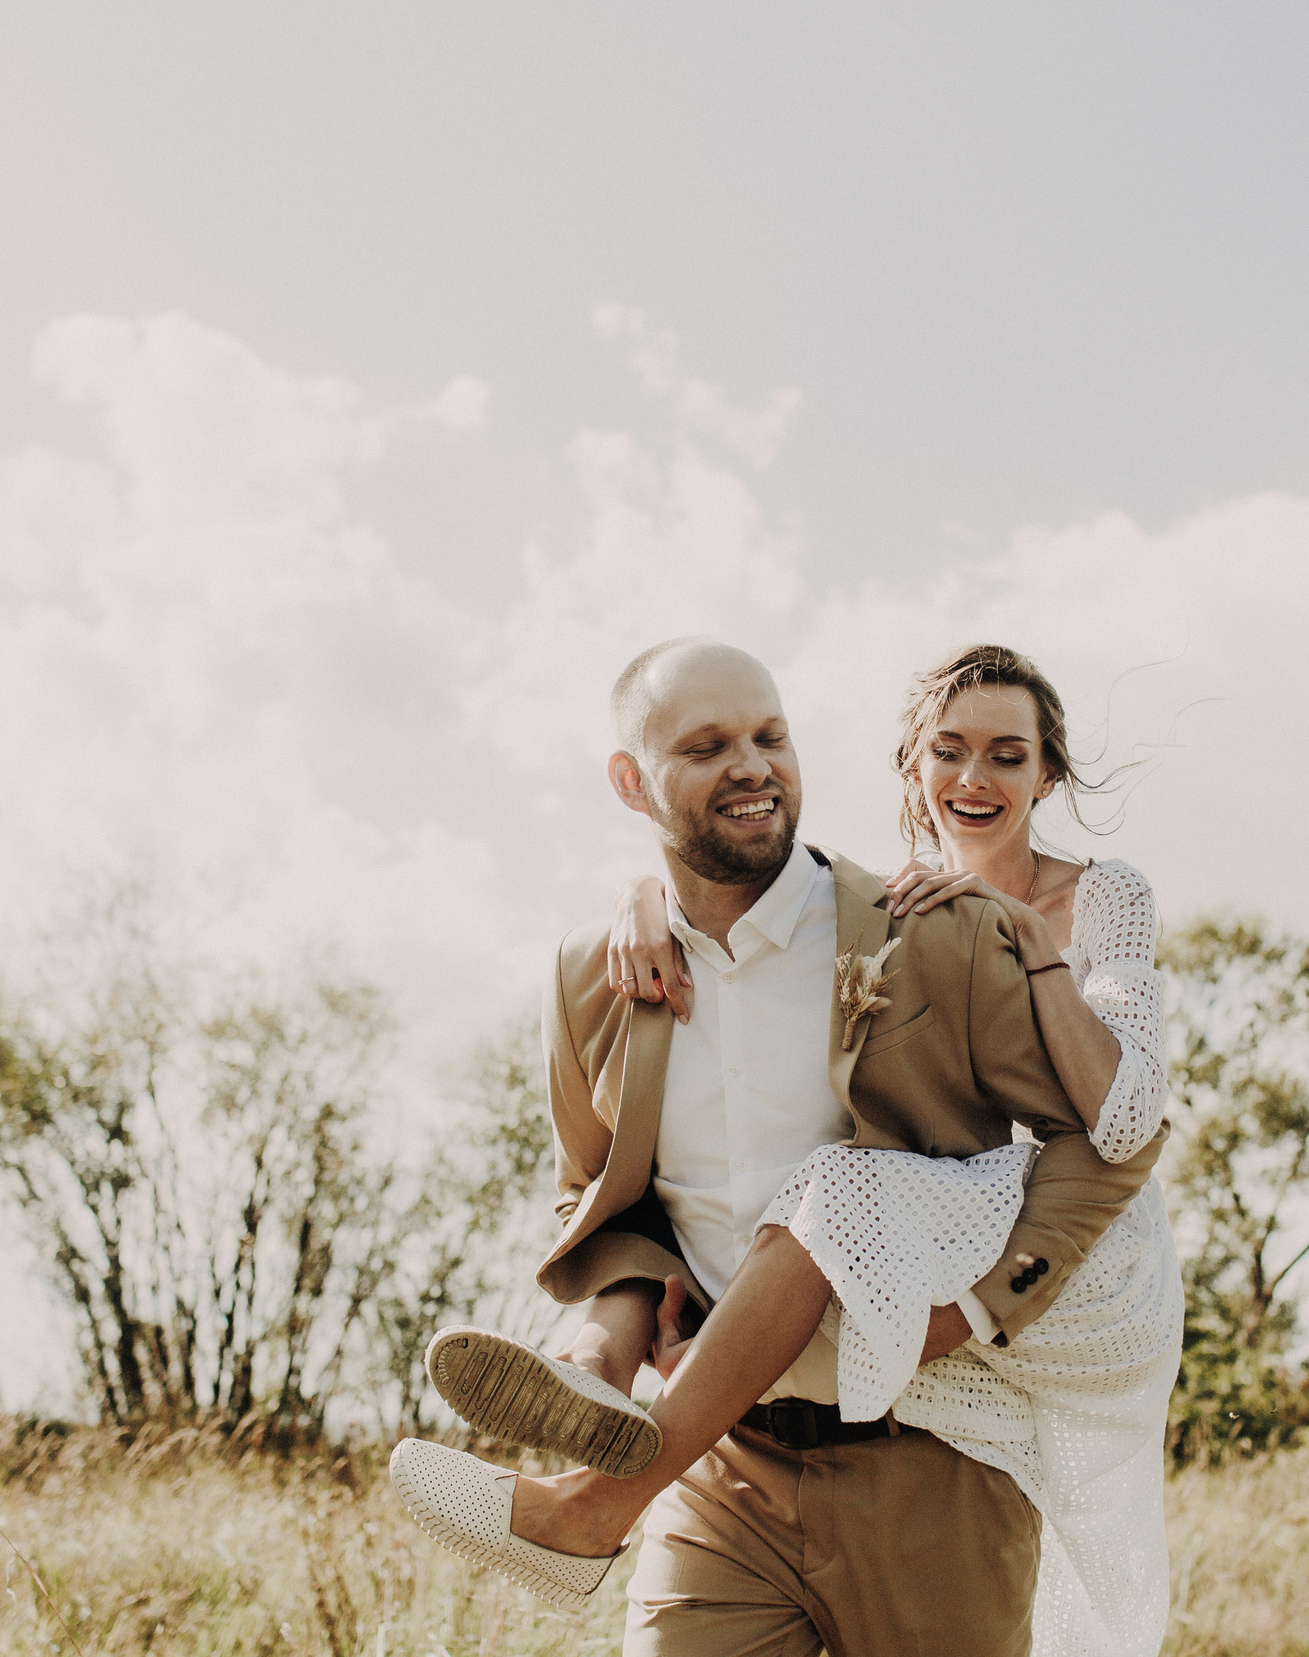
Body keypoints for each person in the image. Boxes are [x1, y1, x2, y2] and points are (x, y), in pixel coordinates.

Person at [391, 638, 1167, 1657]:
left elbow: (1114, 1135)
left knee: (830, 1192)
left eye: (769, 737)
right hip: (721, 1474)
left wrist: (983, 1300)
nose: (753, 765)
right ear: (630, 782)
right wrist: (627, 1304)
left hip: (930, 1463)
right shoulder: (596, 972)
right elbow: (595, 1189)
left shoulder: (940, 935)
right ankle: (594, 1424)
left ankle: (591, 1500)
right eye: (709, 745)